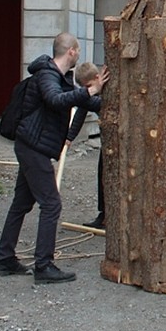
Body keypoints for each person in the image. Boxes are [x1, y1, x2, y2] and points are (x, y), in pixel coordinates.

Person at [0, 33, 109, 284]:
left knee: (22, 203)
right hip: (32, 148)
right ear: (71, 51)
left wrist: (101, 97)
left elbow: (82, 103)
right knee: (51, 204)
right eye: (77, 50)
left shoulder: (62, 78)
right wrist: (91, 90)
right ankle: (44, 266)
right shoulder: (47, 74)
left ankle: (5, 259)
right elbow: (56, 101)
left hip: (32, 147)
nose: (79, 54)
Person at [68, 63, 107, 230]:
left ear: (98, 79)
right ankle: (104, 213)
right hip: (106, 140)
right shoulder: (90, 93)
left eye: (89, 86)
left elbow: (97, 104)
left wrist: (87, 96)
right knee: (102, 174)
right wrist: (69, 138)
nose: (88, 90)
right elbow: (80, 115)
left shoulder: (106, 90)